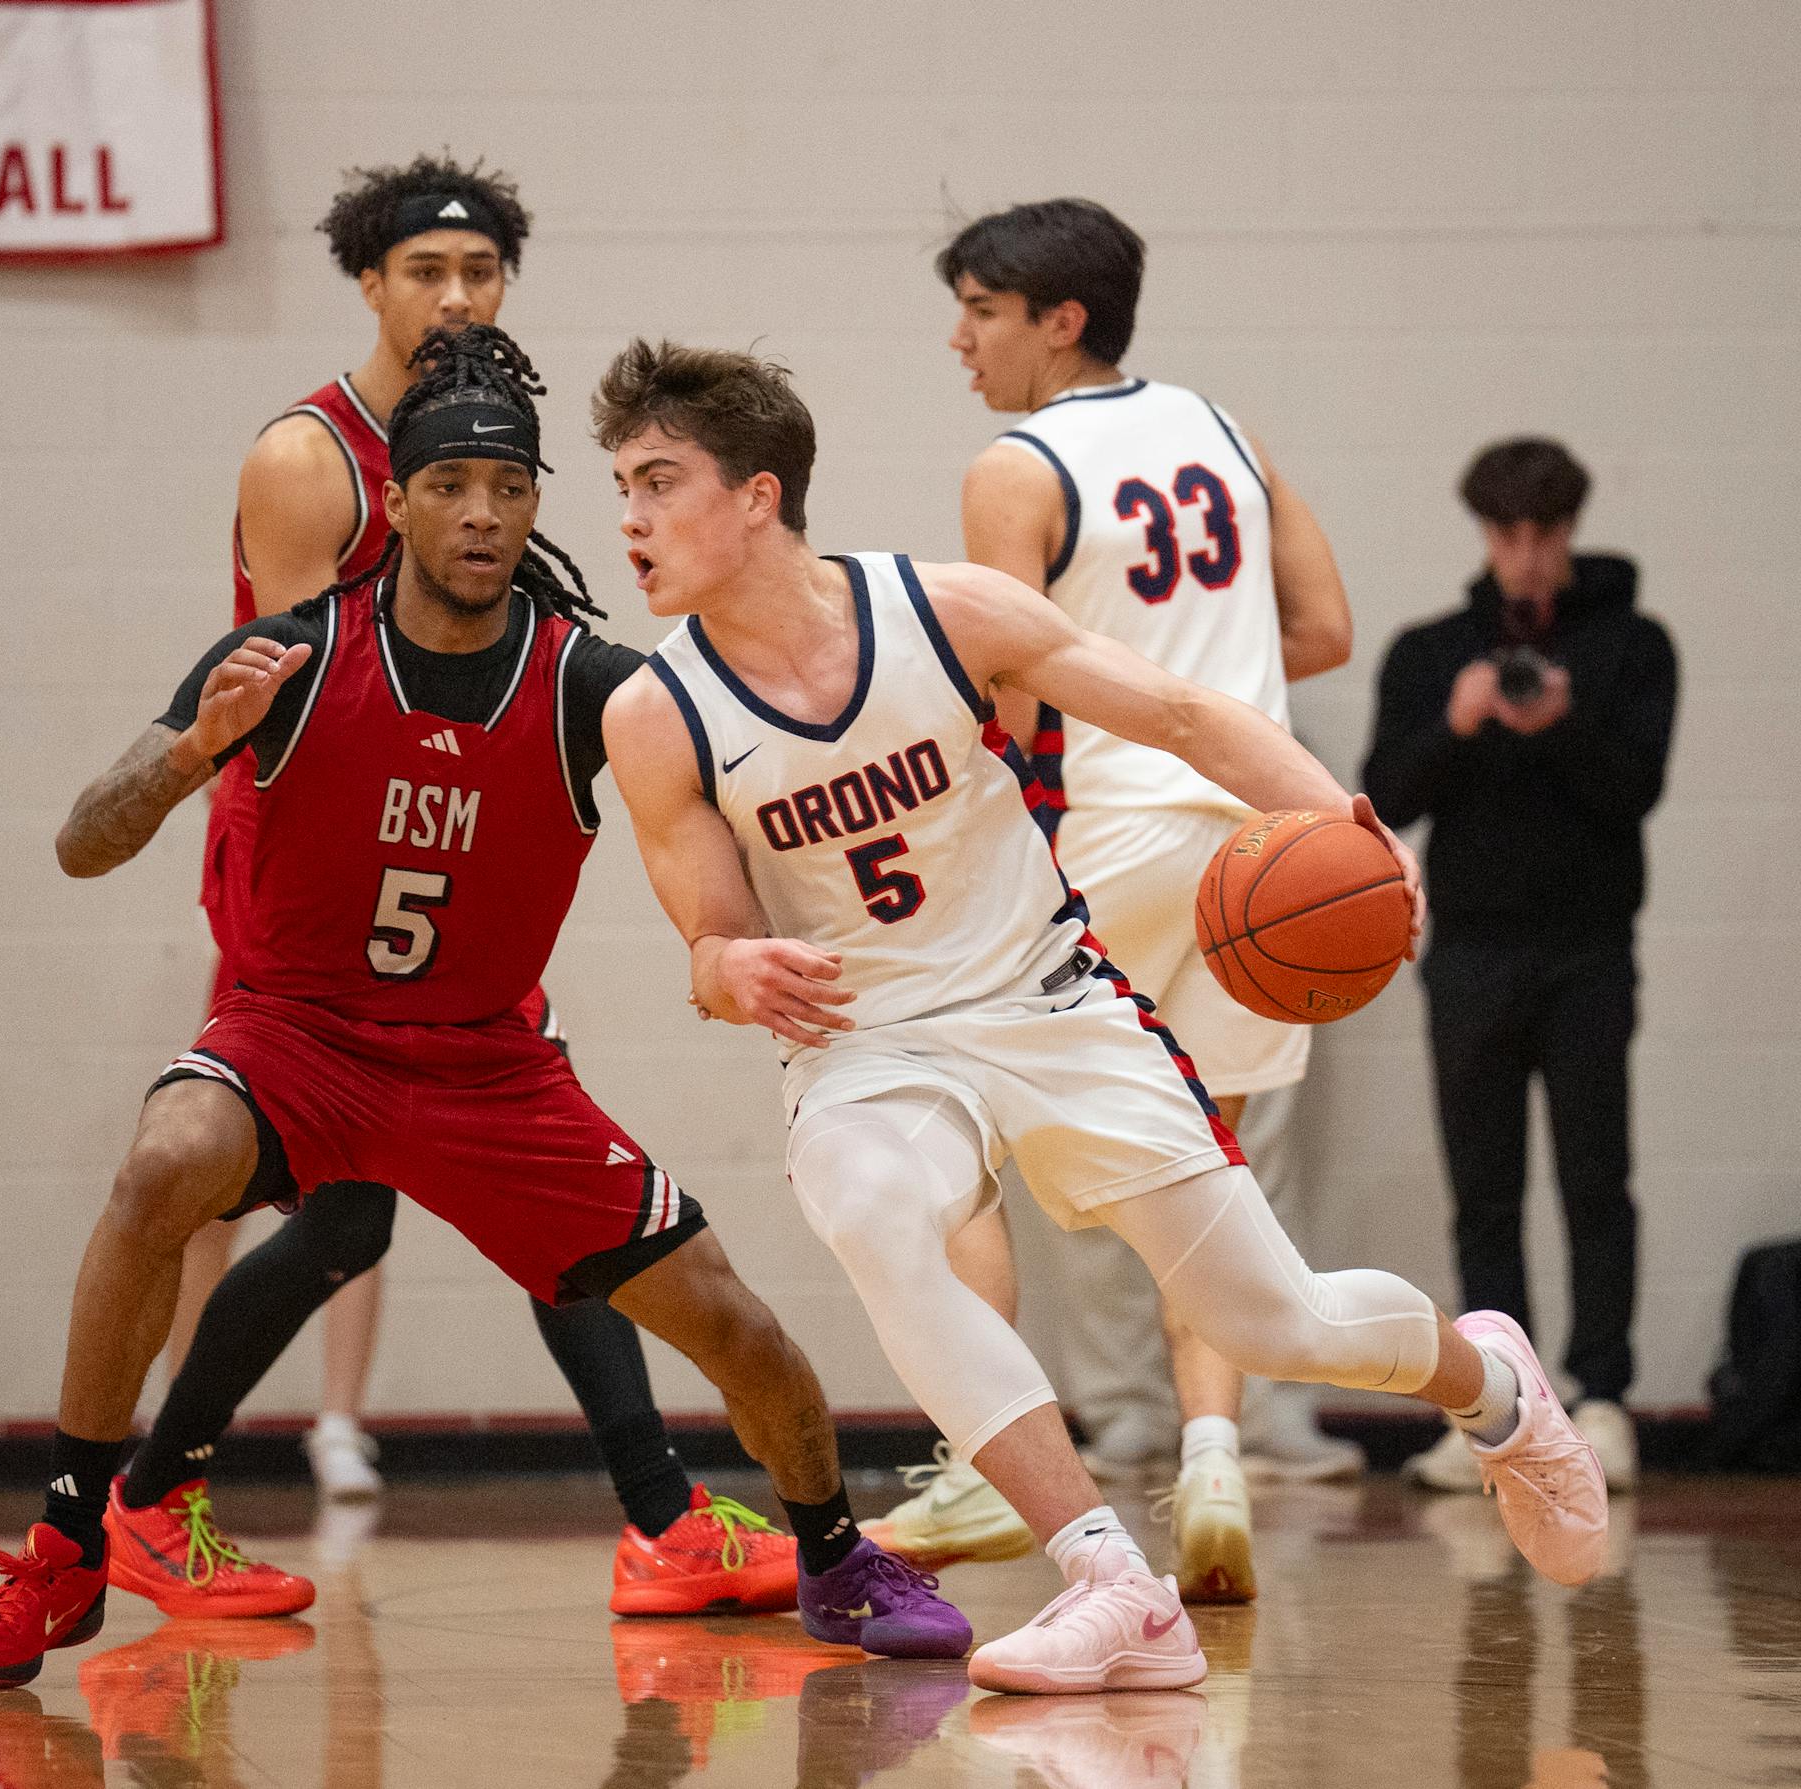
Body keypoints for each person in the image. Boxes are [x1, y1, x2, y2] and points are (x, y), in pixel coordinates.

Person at [0, 325, 966, 1692]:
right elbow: (83, 841)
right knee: (162, 1164)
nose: (482, 515)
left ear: (537, 506)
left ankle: (834, 1555)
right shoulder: (286, 656)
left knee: (736, 1323)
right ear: (399, 504)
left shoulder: (599, 686)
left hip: (488, 1071)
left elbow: (732, 825)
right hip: (295, 1037)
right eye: (452, 489)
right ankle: (68, 1546)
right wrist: (194, 752)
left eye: (511, 490)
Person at [594, 339, 1610, 1694]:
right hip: (871, 1046)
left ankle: (1492, 1389)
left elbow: (1189, 714)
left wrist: (1344, 830)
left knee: (1274, 1322)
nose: (631, 520)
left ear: (760, 494)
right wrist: (732, 974)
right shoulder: (653, 714)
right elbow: (713, 938)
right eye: (622, 488)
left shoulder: (943, 611)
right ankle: (1114, 1583)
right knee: (878, 1212)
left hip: (1049, 997)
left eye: (661, 481)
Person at [156, 153, 789, 1598]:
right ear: (368, 286)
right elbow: (299, 704)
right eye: (426, 271)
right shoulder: (311, 458)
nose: (455, 294)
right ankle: (151, 1492)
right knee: (369, 1191)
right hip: (317, 870)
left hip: (444, 852)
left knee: (416, 1193)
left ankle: (652, 1516)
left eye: (481, 272)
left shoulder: (486, 438)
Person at [893, 197, 1363, 1604]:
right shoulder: (1229, 432)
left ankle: (984, 1458)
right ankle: (1213, 1454)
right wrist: (1196, 662)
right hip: (1252, 848)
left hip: (1105, 831)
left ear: (1061, 319)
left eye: (980, 309)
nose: (959, 338)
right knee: (1200, 1160)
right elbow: (1325, 630)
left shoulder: (1017, 465)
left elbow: (1004, 686)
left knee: (947, 1110)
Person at [1364, 438, 1676, 1495]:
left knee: (1597, 1179)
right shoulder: (1430, 653)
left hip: (1589, 953)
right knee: (1483, 1192)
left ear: (1572, 532)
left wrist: (1562, 723)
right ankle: (1503, 1406)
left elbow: (1635, 790)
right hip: (1471, 956)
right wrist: (1458, 724)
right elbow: (1384, 797)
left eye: (1545, 534)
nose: (1529, 556)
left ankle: (1602, 1397)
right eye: (1509, 534)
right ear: (1485, 535)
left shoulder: (1634, 647)